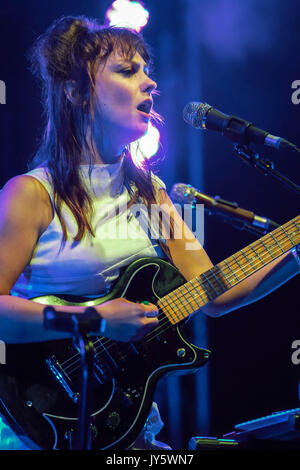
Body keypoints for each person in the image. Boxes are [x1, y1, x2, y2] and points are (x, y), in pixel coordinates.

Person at [0, 15, 299, 451]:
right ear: (77, 92)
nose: (150, 83)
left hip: (130, 431)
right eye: (128, 70)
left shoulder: (151, 192)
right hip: (39, 422)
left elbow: (212, 294)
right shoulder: (28, 194)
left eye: (146, 69)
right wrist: (96, 319)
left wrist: (294, 256)